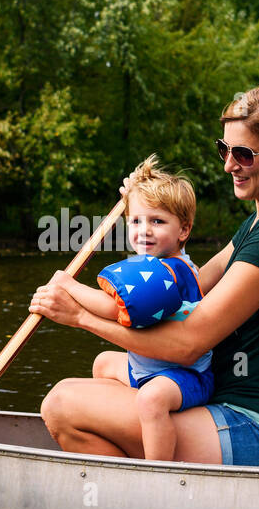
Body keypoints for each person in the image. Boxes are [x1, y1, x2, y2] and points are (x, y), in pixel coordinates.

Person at [29, 84, 259, 467]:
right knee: (103, 368)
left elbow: (187, 343)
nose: (228, 165)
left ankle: (153, 495)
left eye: (244, 154)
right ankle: (151, 491)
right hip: (225, 400)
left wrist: (79, 317)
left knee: (62, 404)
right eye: (225, 150)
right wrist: (144, 202)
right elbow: (192, 287)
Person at [51, 155, 212, 462]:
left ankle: (155, 471)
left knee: (152, 399)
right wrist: (132, 194)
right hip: (147, 367)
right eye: (136, 220)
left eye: (157, 221)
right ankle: (118, 427)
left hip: (184, 377)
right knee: (102, 363)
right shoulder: (153, 266)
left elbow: (116, 308)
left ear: (184, 230)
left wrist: (69, 287)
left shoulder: (171, 271)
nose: (144, 230)